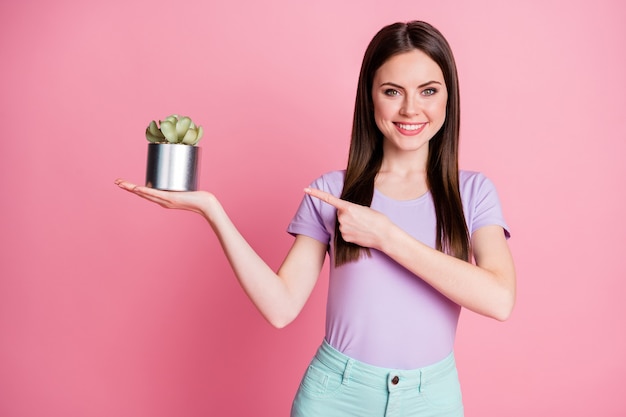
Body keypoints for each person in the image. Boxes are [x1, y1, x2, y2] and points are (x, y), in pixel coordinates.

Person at [116, 20, 515, 417]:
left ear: (449, 97)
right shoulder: (332, 192)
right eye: (392, 91)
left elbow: (499, 300)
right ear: (370, 98)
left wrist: (386, 236)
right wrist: (212, 211)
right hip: (335, 397)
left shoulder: (473, 193)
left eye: (428, 91)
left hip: (433, 400)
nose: (411, 109)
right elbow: (280, 306)